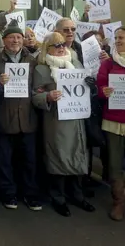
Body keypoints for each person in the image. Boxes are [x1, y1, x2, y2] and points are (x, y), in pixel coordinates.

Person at [32, 32, 95, 217]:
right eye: (56, 45)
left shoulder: (76, 64)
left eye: (63, 45)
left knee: (78, 155)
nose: (61, 48)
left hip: (77, 120)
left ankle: (77, 195)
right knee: (58, 158)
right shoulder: (41, 70)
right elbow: (34, 95)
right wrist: (47, 96)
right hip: (56, 121)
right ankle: (58, 198)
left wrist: (92, 86)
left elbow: (86, 91)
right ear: (47, 48)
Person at [0, 20, 41, 211]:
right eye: (11, 37)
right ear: (4, 40)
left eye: (19, 37)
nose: (16, 40)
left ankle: (30, 194)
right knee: (4, 160)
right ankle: (8, 194)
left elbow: (39, 87)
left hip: (28, 119)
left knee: (29, 160)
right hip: (4, 118)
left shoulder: (33, 60)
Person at [97, 26, 125, 221]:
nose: (118, 40)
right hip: (113, 120)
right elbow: (99, 87)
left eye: (122, 37)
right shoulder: (107, 64)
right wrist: (104, 91)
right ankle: (118, 202)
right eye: (116, 37)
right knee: (115, 164)